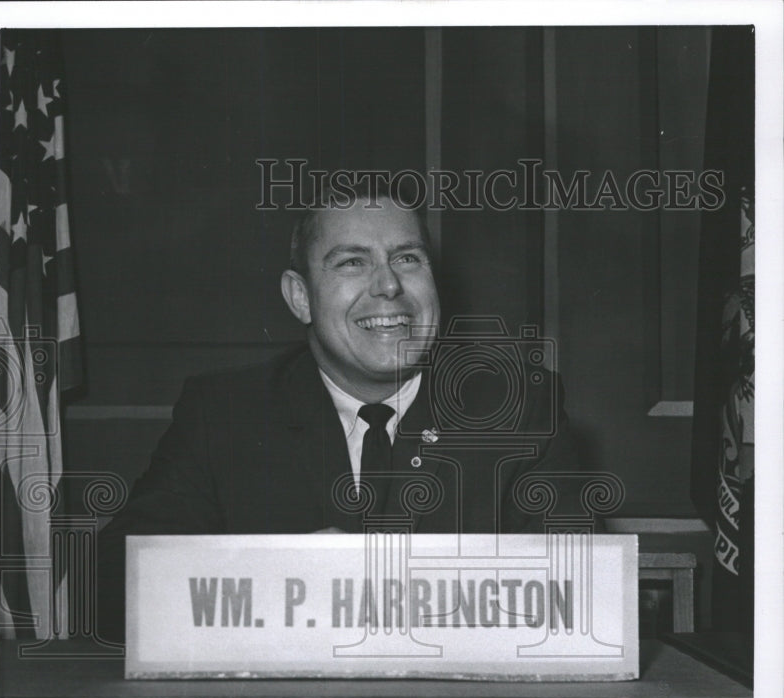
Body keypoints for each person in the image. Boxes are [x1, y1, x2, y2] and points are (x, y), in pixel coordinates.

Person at [97, 179, 582, 639]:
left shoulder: (518, 408)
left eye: (408, 259)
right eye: (352, 263)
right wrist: (279, 577)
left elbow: (580, 590)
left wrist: (369, 586)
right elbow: (114, 588)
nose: (388, 286)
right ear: (300, 296)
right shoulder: (224, 414)